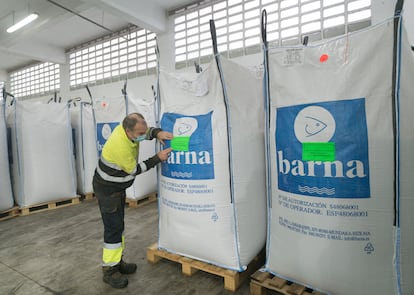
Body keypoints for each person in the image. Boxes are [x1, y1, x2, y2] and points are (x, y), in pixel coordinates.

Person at [92, 112, 173, 289]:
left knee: (118, 226)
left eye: (144, 132)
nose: (143, 136)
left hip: (115, 188)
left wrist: (157, 133)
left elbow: (145, 131)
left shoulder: (128, 131)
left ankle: (117, 262)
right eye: (139, 135)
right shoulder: (120, 146)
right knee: (113, 230)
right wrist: (157, 159)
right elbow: (134, 169)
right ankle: (109, 271)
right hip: (108, 190)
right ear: (128, 131)